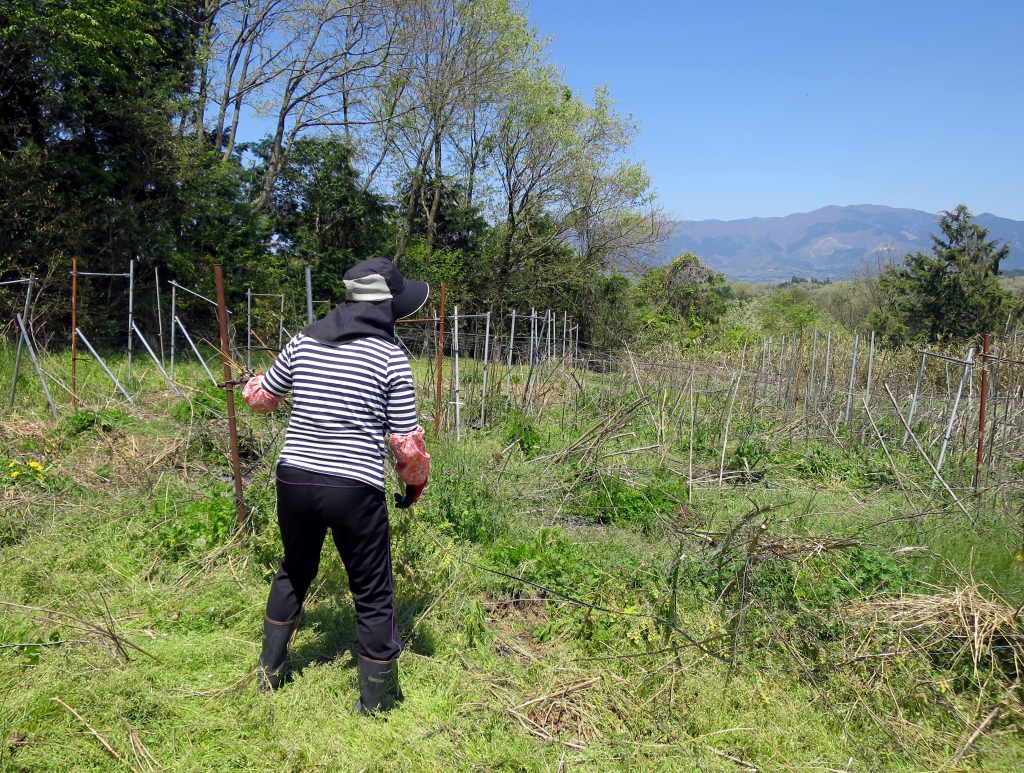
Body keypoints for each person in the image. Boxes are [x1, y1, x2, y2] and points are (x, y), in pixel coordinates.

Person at [241, 257, 431, 714]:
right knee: (371, 587)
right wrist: (415, 482)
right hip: (354, 488)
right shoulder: (389, 356)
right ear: (384, 308)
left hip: (295, 479)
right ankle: (377, 703)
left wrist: (252, 383)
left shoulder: (302, 341)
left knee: (295, 567)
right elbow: (406, 443)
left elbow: (262, 398)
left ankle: (271, 669)